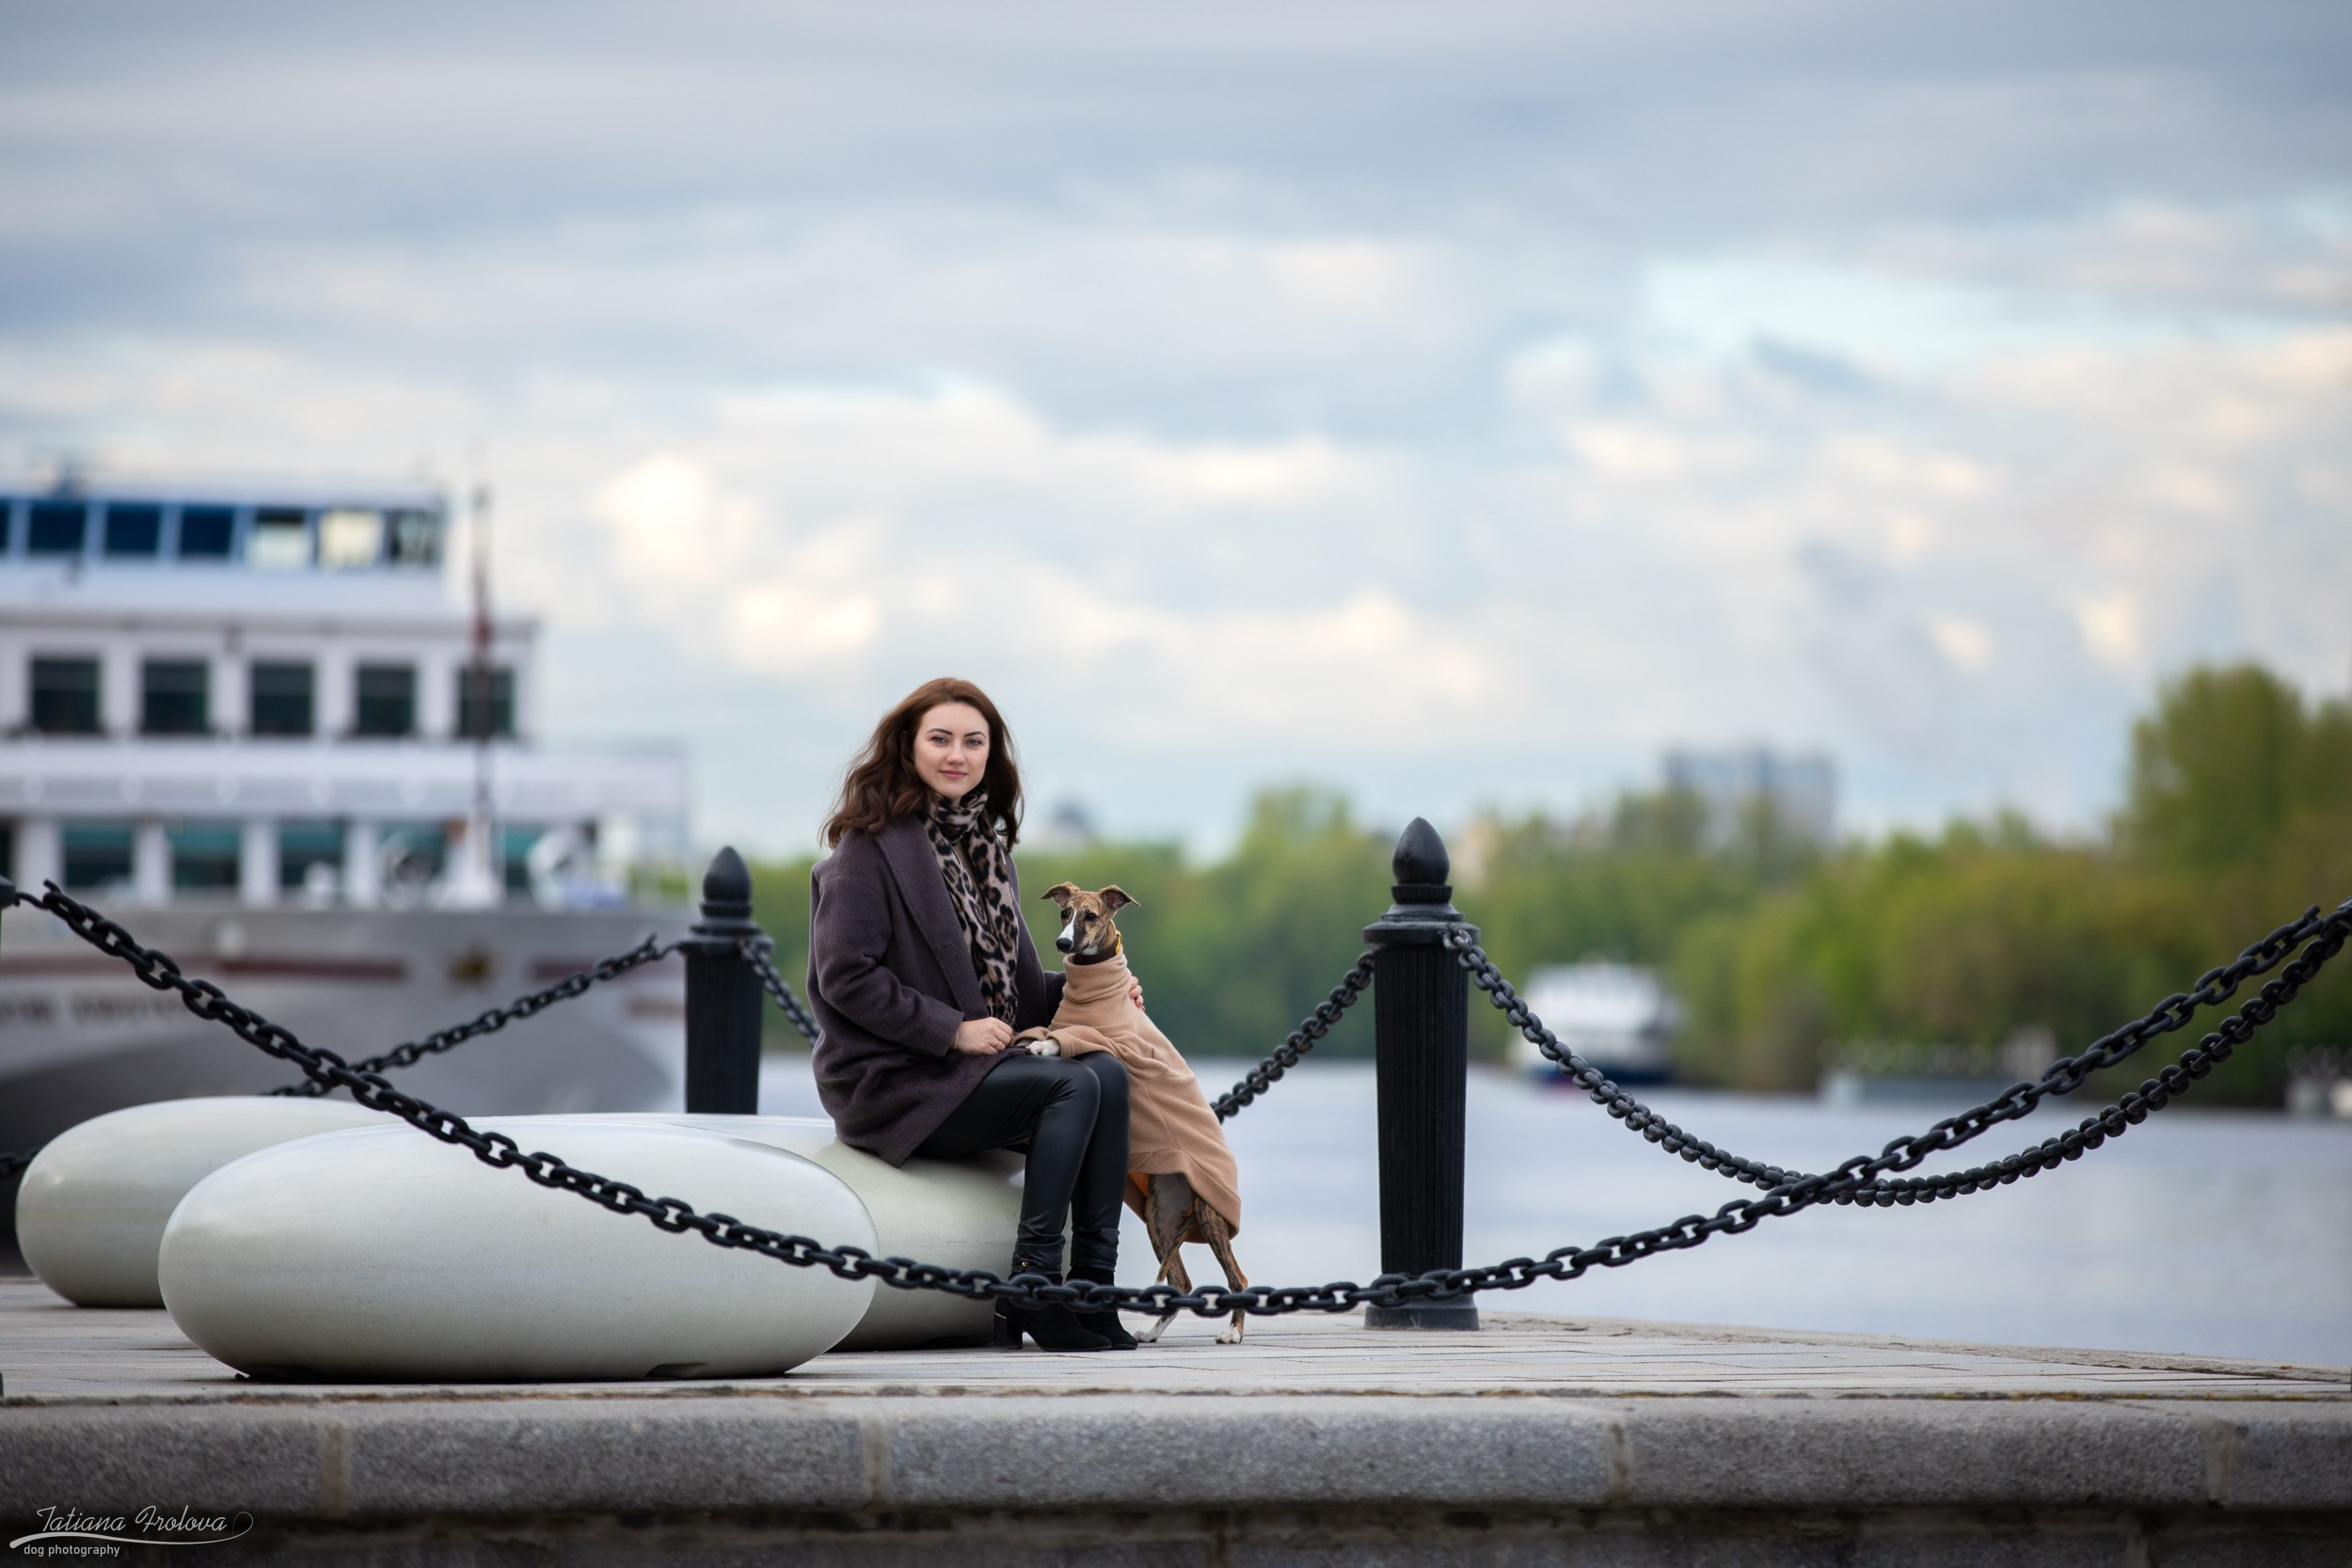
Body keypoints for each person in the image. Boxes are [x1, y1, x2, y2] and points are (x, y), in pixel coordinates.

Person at [806, 677, 1138, 1352]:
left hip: (975, 1069)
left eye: (973, 741)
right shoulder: (865, 851)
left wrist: (1102, 985)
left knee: (1107, 1071)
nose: (957, 754)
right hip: (897, 1078)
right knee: (1069, 1083)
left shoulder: (987, 851)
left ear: (991, 755)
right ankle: (1032, 1286)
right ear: (907, 746)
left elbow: (1014, 990)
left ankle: (1092, 1289)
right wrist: (950, 1029)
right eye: (940, 738)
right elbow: (845, 976)